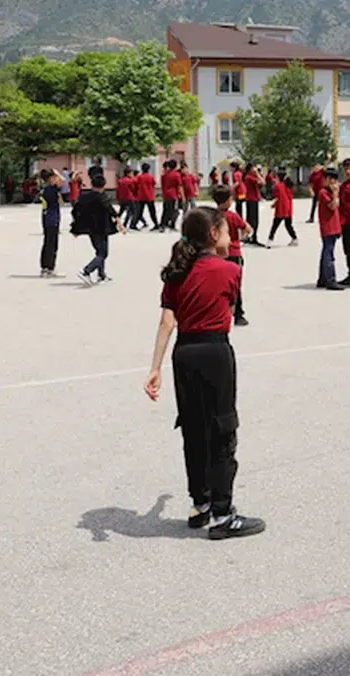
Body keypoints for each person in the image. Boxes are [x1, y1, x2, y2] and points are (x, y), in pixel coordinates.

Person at [144, 206, 265, 540]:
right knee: (222, 428)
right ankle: (223, 514)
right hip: (214, 351)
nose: (229, 237)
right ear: (213, 234)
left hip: (183, 353)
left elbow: (167, 322)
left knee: (193, 428)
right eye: (226, 230)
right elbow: (228, 311)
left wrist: (155, 368)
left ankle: (201, 503)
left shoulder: (176, 271)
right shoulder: (230, 269)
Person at [71, 172, 124, 285]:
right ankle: (86, 271)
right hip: (101, 228)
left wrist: (76, 227)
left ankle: (101, 275)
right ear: (103, 185)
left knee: (99, 251)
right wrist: (119, 223)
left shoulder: (84, 196)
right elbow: (110, 210)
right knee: (103, 253)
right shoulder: (102, 197)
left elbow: (75, 211)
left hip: (91, 229)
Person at [211, 186, 251, 326]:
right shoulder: (232, 216)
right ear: (228, 200)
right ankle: (238, 315)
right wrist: (242, 237)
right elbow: (247, 228)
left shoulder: (213, 216)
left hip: (217, 254)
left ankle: (218, 312)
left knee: (217, 284)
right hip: (233, 253)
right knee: (235, 285)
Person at [316, 168, 344, 290]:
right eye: (329, 179)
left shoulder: (329, 192)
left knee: (326, 252)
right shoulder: (324, 193)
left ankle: (322, 278)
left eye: (334, 179)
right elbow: (333, 206)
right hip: (328, 227)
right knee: (329, 254)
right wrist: (336, 193)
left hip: (334, 226)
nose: (332, 182)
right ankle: (330, 279)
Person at [38, 169, 65, 277]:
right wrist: (57, 173)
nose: (56, 179)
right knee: (52, 244)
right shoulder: (51, 189)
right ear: (50, 178)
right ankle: (49, 268)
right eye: (54, 177)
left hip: (47, 217)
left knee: (48, 243)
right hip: (52, 218)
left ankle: (45, 267)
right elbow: (63, 181)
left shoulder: (46, 189)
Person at [268, 176, 298, 246]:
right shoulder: (289, 186)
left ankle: (270, 240)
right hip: (288, 208)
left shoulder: (278, 186)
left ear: (278, 178)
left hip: (281, 208)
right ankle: (295, 238)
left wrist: (273, 205)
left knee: (275, 226)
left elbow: (277, 198)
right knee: (288, 225)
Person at [158, 160, 183, 232]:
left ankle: (163, 225)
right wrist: (182, 196)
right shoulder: (177, 175)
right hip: (173, 195)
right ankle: (171, 224)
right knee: (174, 211)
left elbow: (162, 186)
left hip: (166, 195)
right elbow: (179, 186)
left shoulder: (164, 175)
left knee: (165, 210)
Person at [242, 164, 263, 245]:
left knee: (251, 219)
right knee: (253, 220)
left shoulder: (250, 177)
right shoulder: (249, 177)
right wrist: (257, 173)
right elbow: (262, 182)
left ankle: (251, 237)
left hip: (252, 199)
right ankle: (252, 237)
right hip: (252, 199)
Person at [136, 163, 157, 228]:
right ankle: (156, 224)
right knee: (152, 212)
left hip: (141, 196)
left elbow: (137, 185)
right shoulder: (151, 176)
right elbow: (154, 184)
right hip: (150, 196)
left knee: (139, 212)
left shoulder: (139, 177)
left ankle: (134, 224)